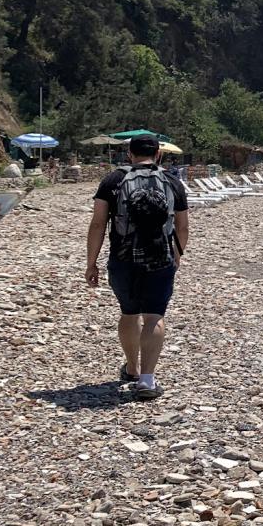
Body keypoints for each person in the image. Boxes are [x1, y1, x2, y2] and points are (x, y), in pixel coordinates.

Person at [85, 134, 188, 400]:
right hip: (161, 257)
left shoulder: (113, 180)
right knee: (154, 316)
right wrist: (177, 254)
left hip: (123, 259)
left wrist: (91, 262)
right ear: (159, 154)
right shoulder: (172, 181)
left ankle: (131, 368)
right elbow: (182, 226)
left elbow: (98, 223)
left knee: (129, 313)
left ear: (129, 154)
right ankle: (147, 381)